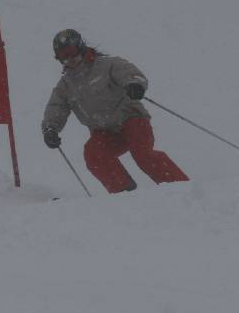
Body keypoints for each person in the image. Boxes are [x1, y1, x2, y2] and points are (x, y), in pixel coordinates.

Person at [41, 29, 189, 194]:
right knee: (93, 153)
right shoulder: (65, 86)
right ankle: (123, 192)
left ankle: (180, 187)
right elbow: (56, 107)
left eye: (71, 52)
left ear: (80, 47)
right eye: (63, 56)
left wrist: (135, 84)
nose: (70, 59)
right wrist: (50, 129)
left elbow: (130, 73)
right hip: (105, 132)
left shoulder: (107, 65)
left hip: (132, 120)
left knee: (142, 155)